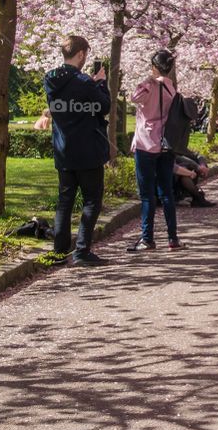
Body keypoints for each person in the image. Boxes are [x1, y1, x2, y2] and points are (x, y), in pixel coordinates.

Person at [44, 35, 111, 268]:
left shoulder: (50, 79)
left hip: (64, 149)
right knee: (92, 200)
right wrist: (100, 83)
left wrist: (91, 83)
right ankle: (82, 250)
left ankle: (59, 252)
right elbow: (103, 106)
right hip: (88, 150)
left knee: (65, 202)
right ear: (81, 54)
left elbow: (70, 98)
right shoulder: (85, 83)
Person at [127, 49, 182, 253]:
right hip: (166, 145)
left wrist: (147, 80)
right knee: (166, 192)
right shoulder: (171, 89)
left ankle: (147, 238)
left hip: (146, 143)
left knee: (147, 194)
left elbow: (134, 97)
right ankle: (172, 238)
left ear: (153, 66)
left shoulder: (148, 87)